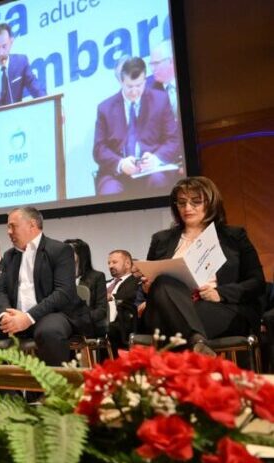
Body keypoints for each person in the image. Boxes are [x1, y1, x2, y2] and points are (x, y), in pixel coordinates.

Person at [137, 177, 265, 355]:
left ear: (211, 203)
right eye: (182, 202)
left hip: (218, 307)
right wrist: (148, 288)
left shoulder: (234, 237)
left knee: (168, 321)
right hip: (170, 306)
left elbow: (257, 282)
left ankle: (192, 347)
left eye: (195, 201)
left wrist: (220, 293)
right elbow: (150, 280)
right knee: (164, 282)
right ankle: (197, 344)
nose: (187, 208)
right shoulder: (161, 240)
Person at [0, 207, 89, 366]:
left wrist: (28, 318)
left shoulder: (59, 250)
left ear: (32, 225)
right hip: (15, 317)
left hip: (50, 314)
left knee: (49, 332)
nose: (8, 231)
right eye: (8, 227)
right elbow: (0, 291)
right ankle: (2, 382)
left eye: (12, 226)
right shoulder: (9, 256)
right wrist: (4, 315)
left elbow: (64, 292)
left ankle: (53, 382)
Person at [93, 57, 181, 196]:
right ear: (121, 81)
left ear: (145, 80)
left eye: (139, 85)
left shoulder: (160, 100)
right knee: (109, 191)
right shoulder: (105, 108)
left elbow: (173, 140)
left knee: (159, 181)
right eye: (129, 86)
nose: (134, 91)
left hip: (152, 170)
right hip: (116, 174)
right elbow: (99, 149)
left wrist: (156, 159)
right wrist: (120, 164)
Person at [64, 239, 108, 336]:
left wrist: (81, 319)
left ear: (81, 254)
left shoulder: (97, 276)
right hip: (64, 323)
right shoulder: (60, 277)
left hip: (87, 322)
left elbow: (101, 310)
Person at [105, 249, 140, 350]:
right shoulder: (103, 283)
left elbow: (132, 295)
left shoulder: (136, 281)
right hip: (99, 317)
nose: (110, 266)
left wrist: (111, 297)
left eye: (114, 262)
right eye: (109, 263)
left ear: (127, 264)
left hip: (122, 319)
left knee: (109, 328)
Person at [146, 40, 178, 121]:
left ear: (171, 61)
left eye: (156, 63)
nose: (152, 69)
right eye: (151, 64)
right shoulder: (147, 87)